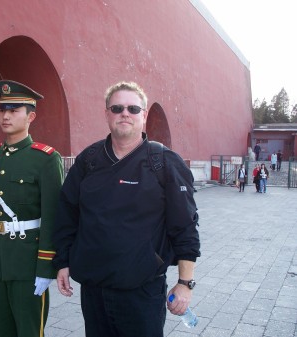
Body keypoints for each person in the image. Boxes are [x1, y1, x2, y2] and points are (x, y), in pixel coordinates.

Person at [52, 81, 200, 337]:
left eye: (133, 109)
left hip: (142, 292)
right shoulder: (89, 160)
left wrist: (185, 283)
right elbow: (67, 214)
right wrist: (62, 262)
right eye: (117, 107)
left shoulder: (164, 163)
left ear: (143, 115)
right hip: (94, 290)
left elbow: (185, 226)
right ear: (107, 113)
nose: (125, 113)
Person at [0, 80, 64, 337]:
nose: (5, 116)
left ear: (30, 116)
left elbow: (54, 217)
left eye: (14, 110)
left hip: (28, 263)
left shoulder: (45, 159)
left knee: (29, 331)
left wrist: (47, 267)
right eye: (2, 110)